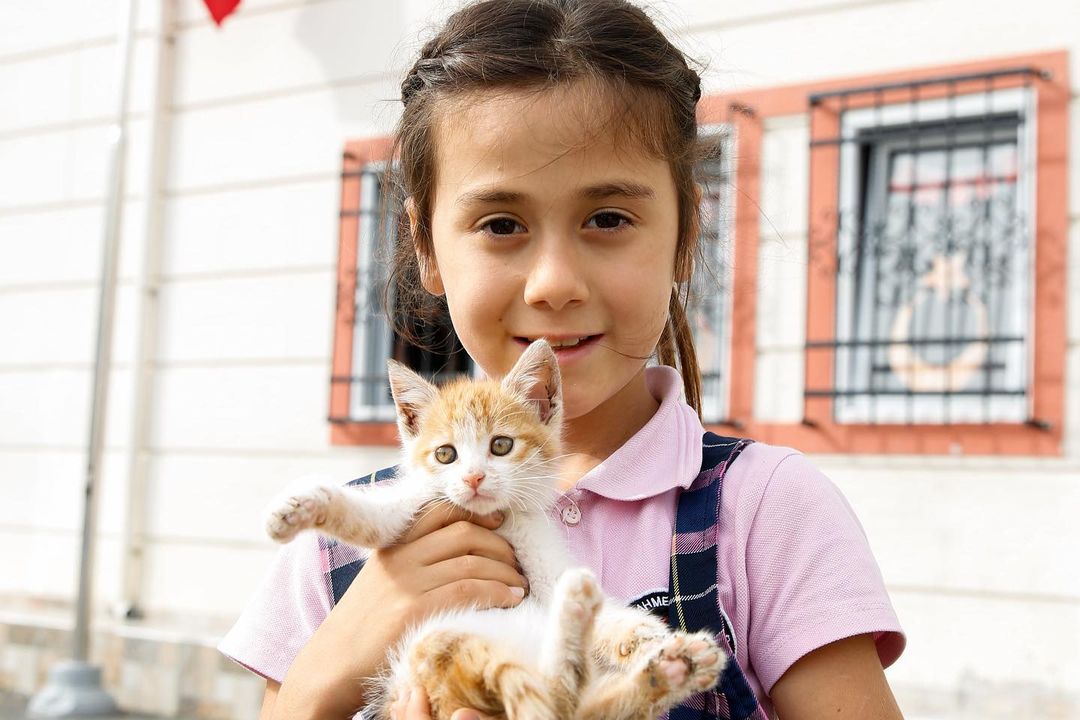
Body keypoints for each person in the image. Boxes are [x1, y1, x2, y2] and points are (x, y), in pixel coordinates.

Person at [219, 1, 907, 718]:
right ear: (426, 245)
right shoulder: (331, 555)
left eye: (607, 218)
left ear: (684, 234)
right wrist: (328, 668)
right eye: (501, 224)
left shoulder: (763, 511)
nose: (554, 283)